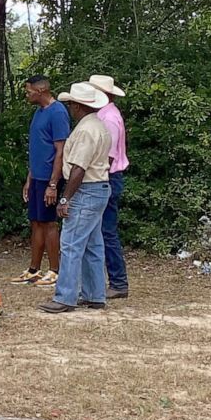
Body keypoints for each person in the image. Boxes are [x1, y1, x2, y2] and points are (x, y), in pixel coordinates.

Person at [40, 82, 111, 314]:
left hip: (86, 189)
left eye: (71, 104)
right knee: (92, 244)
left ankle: (65, 297)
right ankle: (94, 294)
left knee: (70, 244)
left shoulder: (84, 131)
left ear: (78, 106)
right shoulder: (99, 126)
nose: (70, 108)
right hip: (100, 186)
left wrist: (65, 199)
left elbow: (79, 168)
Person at [12, 75, 70, 286]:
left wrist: (53, 184)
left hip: (50, 178)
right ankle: (33, 269)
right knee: (36, 222)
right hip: (37, 177)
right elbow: (37, 149)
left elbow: (60, 151)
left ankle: (55, 271)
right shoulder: (38, 113)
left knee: (49, 224)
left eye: (29, 91)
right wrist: (30, 178)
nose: (27, 95)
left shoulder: (58, 113)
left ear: (42, 90)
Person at [88, 74, 129, 299]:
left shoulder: (108, 119)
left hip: (107, 178)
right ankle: (114, 280)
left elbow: (109, 157)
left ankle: (118, 281)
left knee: (106, 232)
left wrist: (97, 179)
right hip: (108, 177)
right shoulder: (107, 116)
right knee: (104, 231)